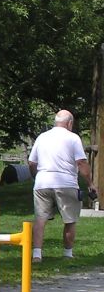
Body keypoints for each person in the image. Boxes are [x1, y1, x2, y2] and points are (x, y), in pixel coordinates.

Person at [28, 110, 96, 262]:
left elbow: (32, 162)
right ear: (69, 123)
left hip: (42, 182)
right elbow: (81, 163)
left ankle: (37, 254)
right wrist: (90, 183)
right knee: (70, 219)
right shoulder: (73, 138)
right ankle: (67, 254)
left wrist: (36, 177)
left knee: (40, 219)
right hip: (66, 183)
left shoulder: (42, 137)